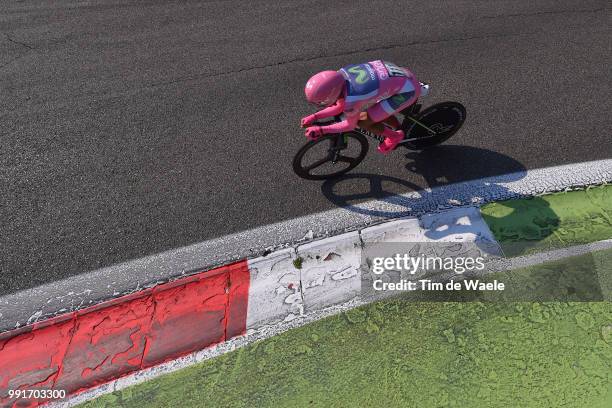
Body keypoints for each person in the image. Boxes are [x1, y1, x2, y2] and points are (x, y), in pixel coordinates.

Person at [300, 60, 423, 154]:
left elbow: (350, 125)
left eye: (321, 102)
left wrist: (321, 130)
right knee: (376, 111)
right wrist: (314, 117)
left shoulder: (353, 98)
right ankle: (397, 127)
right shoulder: (340, 75)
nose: (320, 104)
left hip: (407, 91)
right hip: (399, 75)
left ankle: (395, 136)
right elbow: (339, 106)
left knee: (363, 121)